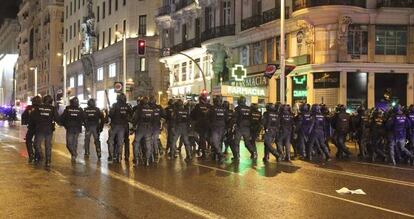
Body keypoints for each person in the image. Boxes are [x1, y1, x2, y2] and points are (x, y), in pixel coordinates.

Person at [30, 95, 59, 168]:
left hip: (40, 129)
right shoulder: (52, 108)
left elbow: (32, 117)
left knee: (37, 145)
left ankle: (42, 155)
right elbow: (57, 118)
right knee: (48, 146)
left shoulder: (38, 108)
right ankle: (48, 161)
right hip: (48, 130)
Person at [108, 93, 132, 163]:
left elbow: (110, 115)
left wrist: (110, 111)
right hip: (124, 126)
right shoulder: (127, 106)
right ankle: (120, 156)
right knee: (121, 141)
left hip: (115, 126)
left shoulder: (115, 105)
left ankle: (111, 156)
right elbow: (131, 114)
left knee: (111, 141)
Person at [132, 97, 155, 166]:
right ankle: (147, 161)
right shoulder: (152, 110)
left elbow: (135, 119)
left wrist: (133, 126)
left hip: (140, 129)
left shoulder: (139, 109)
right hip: (148, 129)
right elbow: (154, 120)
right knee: (148, 144)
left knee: (136, 144)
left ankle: (137, 160)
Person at [60, 97, 84, 162]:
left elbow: (62, 118)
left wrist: (63, 124)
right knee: (73, 143)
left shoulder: (68, 109)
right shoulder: (80, 109)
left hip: (71, 128)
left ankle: (73, 155)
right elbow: (84, 118)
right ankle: (74, 154)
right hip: (74, 128)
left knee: (70, 143)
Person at [232, 96, 256, 161]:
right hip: (247, 128)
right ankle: (253, 152)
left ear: (239, 101)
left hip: (239, 127)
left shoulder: (237, 108)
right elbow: (251, 118)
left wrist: (232, 124)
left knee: (236, 142)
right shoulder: (249, 109)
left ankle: (236, 156)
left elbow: (235, 118)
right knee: (247, 142)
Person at [21, 95, 42, 163]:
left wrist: (24, 124)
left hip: (31, 127)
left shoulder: (29, 108)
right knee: (37, 142)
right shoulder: (42, 108)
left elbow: (23, 116)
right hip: (39, 127)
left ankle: (31, 155)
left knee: (28, 140)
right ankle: (37, 156)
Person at [191, 93, 211, 159]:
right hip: (208, 125)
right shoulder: (209, 106)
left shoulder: (197, 106)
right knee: (207, 138)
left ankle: (204, 154)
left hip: (201, 125)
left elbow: (192, 115)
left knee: (202, 139)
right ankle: (212, 152)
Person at [209, 95, 228, 163]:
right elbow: (227, 119)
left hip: (216, 128)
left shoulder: (212, 108)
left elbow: (208, 118)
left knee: (215, 143)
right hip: (221, 128)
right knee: (218, 143)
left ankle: (220, 155)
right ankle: (218, 156)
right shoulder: (224, 109)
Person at [149, 96, 165, 160]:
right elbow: (164, 116)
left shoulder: (148, 107)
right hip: (156, 127)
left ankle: (151, 154)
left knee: (149, 140)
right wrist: (161, 125)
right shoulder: (159, 107)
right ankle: (156, 154)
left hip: (149, 127)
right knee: (155, 140)